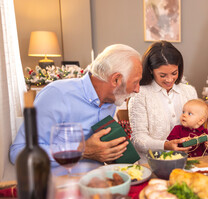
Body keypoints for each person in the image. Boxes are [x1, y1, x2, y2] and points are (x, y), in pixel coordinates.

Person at [10, 44, 142, 167]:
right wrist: (82, 150)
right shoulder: (56, 94)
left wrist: (109, 153)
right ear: (116, 79)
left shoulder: (112, 100)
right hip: (60, 184)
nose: (137, 89)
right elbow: (19, 152)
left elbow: (100, 151)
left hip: (100, 182)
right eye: (135, 82)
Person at [128, 40, 197, 161]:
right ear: (150, 70)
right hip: (152, 164)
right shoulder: (139, 94)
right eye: (163, 75)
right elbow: (138, 139)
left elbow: (197, 127)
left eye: (174, 73)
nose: (170, 80)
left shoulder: (189, 91)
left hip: (188, 161)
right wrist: (165, 145)